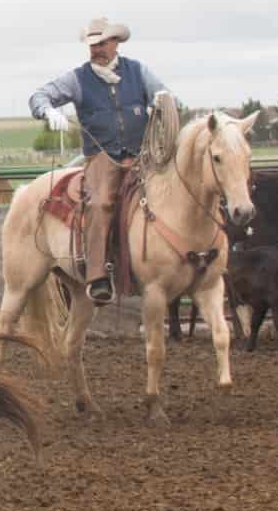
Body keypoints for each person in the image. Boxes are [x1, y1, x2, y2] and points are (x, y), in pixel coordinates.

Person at [27, 16, 171, 308]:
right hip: (102, 158)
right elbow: (39, 96)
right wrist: (48, 111)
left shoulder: (138, 72)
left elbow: (164, 95)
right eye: (92, 45)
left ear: (115, 42)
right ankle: (97, 276)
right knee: (99, 202)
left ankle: (167, 264)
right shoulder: (78, 79)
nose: (96, 49)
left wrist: (161, 101)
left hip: (143, 157)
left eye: (102, 43)